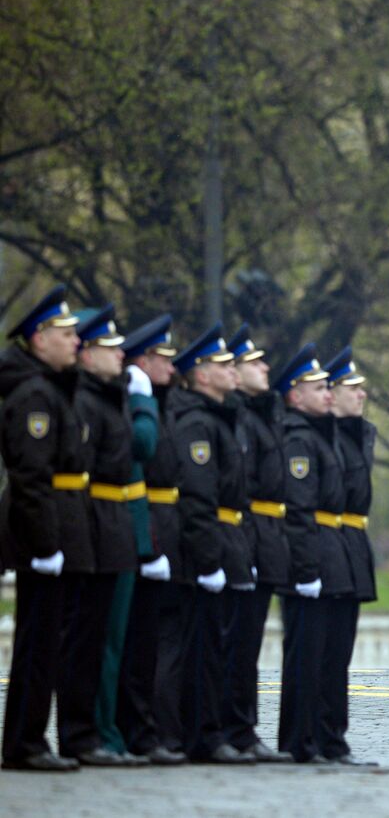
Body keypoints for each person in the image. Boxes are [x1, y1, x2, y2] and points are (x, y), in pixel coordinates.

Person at [0, 286, 85, 772]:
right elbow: (32, 477)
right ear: (39, 338)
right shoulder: (34, 394)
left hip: (55, 527)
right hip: (40, 534)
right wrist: (46, 544)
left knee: (45, 644)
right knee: (37, 645)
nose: (75, 341)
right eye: (65, 334)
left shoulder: (48, 387)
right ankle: (24, 743)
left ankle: (27, 739)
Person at [169, 324, 255, 765]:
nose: (231, 370)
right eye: (222, 364)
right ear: (201, 375)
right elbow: (198, 498)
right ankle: (203, 735)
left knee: (222, 649)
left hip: (227, 540)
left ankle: (215, 731)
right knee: (204, 651)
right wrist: (208, 561)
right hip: (210, 546)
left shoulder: (219, 418)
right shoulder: (198, 423)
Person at [70, 305, 147, 767]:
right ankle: (91, 733)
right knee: (90, 643)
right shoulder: (86, 399)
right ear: (86, 353)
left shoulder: (108, 395)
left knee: (109, 641)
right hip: (94, 523)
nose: (121, 354)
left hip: (113, 523)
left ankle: (104, 732)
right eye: (109, 347)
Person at [274, 344, 354, 764]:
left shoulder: (321, 434)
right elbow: (299, 509)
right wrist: (306, 569)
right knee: (306, 658)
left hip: (331, 552)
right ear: (295, 395)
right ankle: (300, 741)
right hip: (311, 558)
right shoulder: (298, 439)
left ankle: (327, 739)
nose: (327, 393)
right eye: (318, 387)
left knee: (331, 657)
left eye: (327, 387)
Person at [113, 314, 186, 765]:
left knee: (153, 642)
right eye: (163, 358)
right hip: (146, 524)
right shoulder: (138, 404)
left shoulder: (162, 404)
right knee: (140, 642)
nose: (171, 367)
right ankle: (138, 731)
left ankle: (152, 730)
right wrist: (151, 545)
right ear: (142, 362)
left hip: (163, 525)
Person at [224, 325, 293, 762]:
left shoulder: (261, 414)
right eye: (254, 362)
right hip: (246, 535)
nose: (265, 367)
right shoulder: (240, 418)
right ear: (233, 371)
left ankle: (242, 729)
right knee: (235, 643)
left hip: (264, 536)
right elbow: (241, 487)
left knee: (248, 644)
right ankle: (233, 729)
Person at [322, 346, 377, 765]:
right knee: (319, 653)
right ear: (331, 393)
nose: (361, 394)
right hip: (326, 546)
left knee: (339, 654)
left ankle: (333, 738)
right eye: (351, 388)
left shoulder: (360, 433)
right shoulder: (323, 436)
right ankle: (314, 737)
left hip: (351, 545)